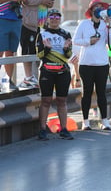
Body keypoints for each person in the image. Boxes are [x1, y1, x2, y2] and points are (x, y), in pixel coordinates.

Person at [73, 0, 111, 131]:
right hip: (86, 64)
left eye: (101, 7)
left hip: (102, 63)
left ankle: (105, 120)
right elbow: (75, 40)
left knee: (101, 92)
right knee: (87, 92)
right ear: (91, 10)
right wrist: (88, 41)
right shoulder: (84, 24)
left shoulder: (104, 25)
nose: (99, 9)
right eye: (96, 7)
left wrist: (109, 26)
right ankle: (86, 121)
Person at [36, 9, 73, 140]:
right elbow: (39, 55)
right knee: (45, 100)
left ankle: (64, 129)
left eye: (57, 16)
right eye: (52, 16)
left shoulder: (66, 33)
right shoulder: (42, 34)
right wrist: (46, 49)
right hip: (47, 71)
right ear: (47, 19)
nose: (54, 19)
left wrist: (66, 49)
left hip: (63, 72)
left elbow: (68, 55)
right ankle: (42, 130)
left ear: (60, 19)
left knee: (62, 101)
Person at [20, 0, 55, 88]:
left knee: (39, 53)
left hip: (41, 24)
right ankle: (28, 78)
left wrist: (49, 2)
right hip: (28, 23)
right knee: (27, 52)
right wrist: (41, 0)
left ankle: (35, 79)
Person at [0, 0, 29, 90]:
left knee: (11, 51)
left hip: (16, 19)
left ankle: (7, 80)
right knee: (0, 51)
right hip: (2, 19)